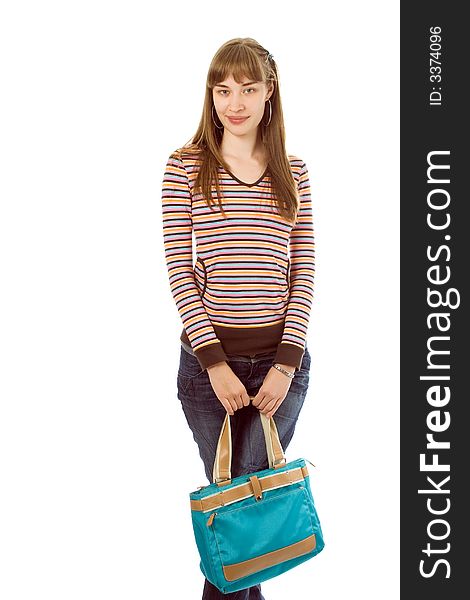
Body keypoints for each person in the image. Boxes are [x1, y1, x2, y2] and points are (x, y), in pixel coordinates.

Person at [161, 37, 315, 600]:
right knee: (234, 501)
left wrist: (283, 365)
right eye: (223, 90)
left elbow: (304, 274)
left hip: (281, 369)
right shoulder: (185, 168)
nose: (236, 102)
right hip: (209, 373)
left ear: (269, 93)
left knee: (244, 506)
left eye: (249, 88)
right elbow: (182, 273)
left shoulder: (291, 171)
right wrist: (216, 365)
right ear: (211, 95)